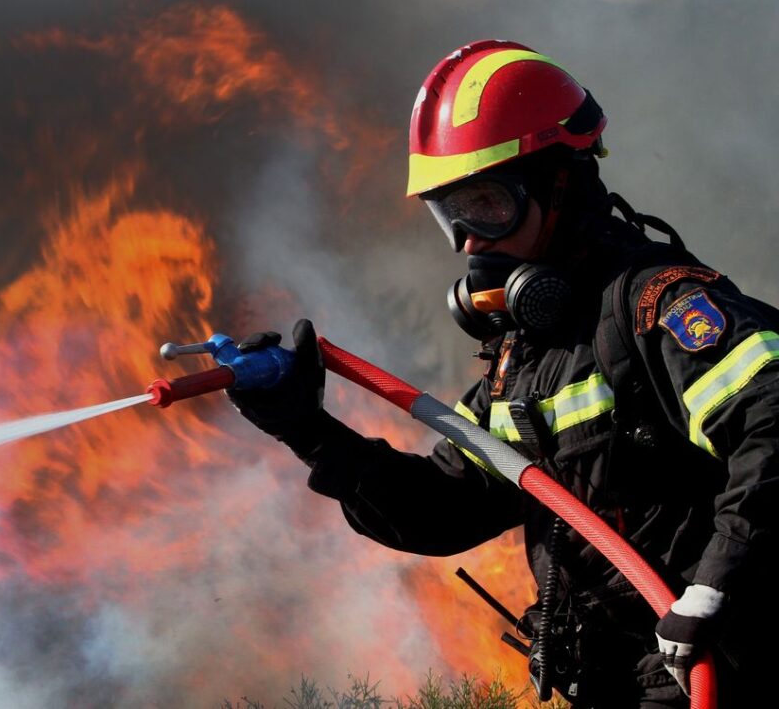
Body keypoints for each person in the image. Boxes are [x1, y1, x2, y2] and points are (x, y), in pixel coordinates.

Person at [228, 40, 778, 707]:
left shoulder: (658, 307)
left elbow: (774, 419)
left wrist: (718, 585)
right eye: (448, 215)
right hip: (619, 682)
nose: (468, 241)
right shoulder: (519, 363)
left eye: (487, 205)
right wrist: (309, 431)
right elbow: (442, 508)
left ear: (562, 183)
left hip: (717, 672)